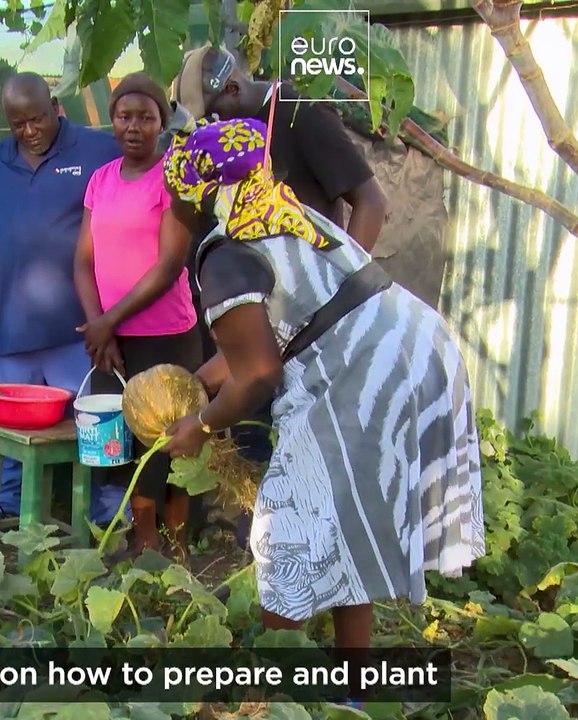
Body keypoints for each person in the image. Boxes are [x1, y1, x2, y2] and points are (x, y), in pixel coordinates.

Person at [161, 118, 485, 671]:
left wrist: (203, 425)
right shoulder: (276, 213)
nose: (173, 208)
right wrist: (196, 384)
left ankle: (264, 687)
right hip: (411, 347)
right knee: (342, 523)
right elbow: (270, 338)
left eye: (176, 195)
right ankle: (352, 685)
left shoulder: (227, 256)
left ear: (202, 196)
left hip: (366, 372)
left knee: (285, 532)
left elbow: (259, 372)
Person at [0, 72, 126, 524]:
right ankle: (12, 512)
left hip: (77, 328)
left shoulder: (97, 152)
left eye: (38, 119)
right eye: (18, 124)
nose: (30, 131)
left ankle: (103, 514)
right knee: (11, 428)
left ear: (55, 107)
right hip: (10, 329)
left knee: (91, 425)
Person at [73, 73, 202, 560]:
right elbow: (82, 260)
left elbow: (169, 266)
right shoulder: (100, 180)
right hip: (112, 339)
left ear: (161, 123)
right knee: (123, 441)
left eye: (146, 118)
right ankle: (142, 538)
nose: (134, 126)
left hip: (165, 336)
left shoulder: (175, 176)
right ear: (112, 121)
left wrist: (110, 320)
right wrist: (98, 324)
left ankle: (175, 541)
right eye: (125, 116)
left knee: (171, 439)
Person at [171, 45, 389, 250]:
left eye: (211, 117)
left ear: (232, 89)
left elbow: (371, 201)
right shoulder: (223, 146)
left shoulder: (301, 112)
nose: (209, 131)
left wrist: (344, 281)